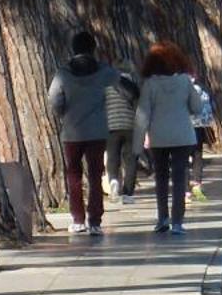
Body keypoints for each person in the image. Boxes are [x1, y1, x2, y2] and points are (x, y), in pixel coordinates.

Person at [47, 30, 120, 237]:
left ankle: (78, 219)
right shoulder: (103, 71)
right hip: (97, 130)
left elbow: (53, 97)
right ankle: (95, 221)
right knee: (96, 175)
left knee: (74, 175)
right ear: (93, 48)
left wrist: (64, 112)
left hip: (72, 131)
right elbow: (118, 81)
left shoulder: (63, 73)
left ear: (73, 49)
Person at [133, 42, 199, 234]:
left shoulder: (150, 85)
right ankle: (178, 221)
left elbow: (142, 115)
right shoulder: (185, 82)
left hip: (158, 137)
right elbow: (197, 107)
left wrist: (137, 147)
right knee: (180, 177)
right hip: (182, 135)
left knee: (161, 178)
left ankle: (162, 218)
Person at [104, 61, 142, 200]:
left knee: (113, 156)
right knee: (131, 160)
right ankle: (128, 193)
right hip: (131, 126)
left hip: (111, 125)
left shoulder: (106, 86)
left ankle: (113, 180)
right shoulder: (133, 86)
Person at [187, 64, 215, 202]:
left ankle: (186, 190)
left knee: (183, 158)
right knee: (198, 156)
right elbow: (212, 105)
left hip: (183, 127)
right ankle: (197, 184)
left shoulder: (179, 88)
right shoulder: (202, 87)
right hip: (200, 126)